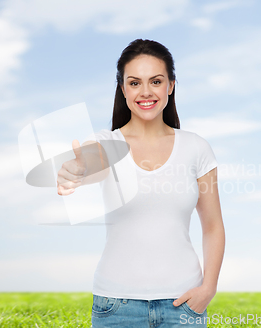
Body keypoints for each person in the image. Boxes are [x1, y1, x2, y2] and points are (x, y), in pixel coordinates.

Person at [57, 39, 225, 327]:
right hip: (116, 306)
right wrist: (75, 169)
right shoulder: (105, 143)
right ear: (123, 89)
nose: (145, 92)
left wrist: (208, 289)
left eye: (156, 81)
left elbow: (212, 226)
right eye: (134, 83)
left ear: (171, 85)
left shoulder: (196, 148)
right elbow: (89, 162)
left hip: (183, 304)